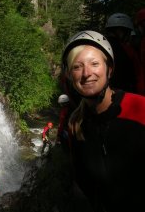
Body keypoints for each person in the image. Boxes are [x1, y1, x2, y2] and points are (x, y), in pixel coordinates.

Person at [62, 30, 145, 212]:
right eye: (77, 67)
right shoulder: (76, 125)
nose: (86, 73)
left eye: (94, 64)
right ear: (69, 75)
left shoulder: (140, 109)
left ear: (110, 69)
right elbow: (83, 183)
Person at [104, 13, 144, 94]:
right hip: (125, 94)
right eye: (128, 32)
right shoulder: (128, 50)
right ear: (121, 31)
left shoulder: (99, 46)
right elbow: (138, 75)